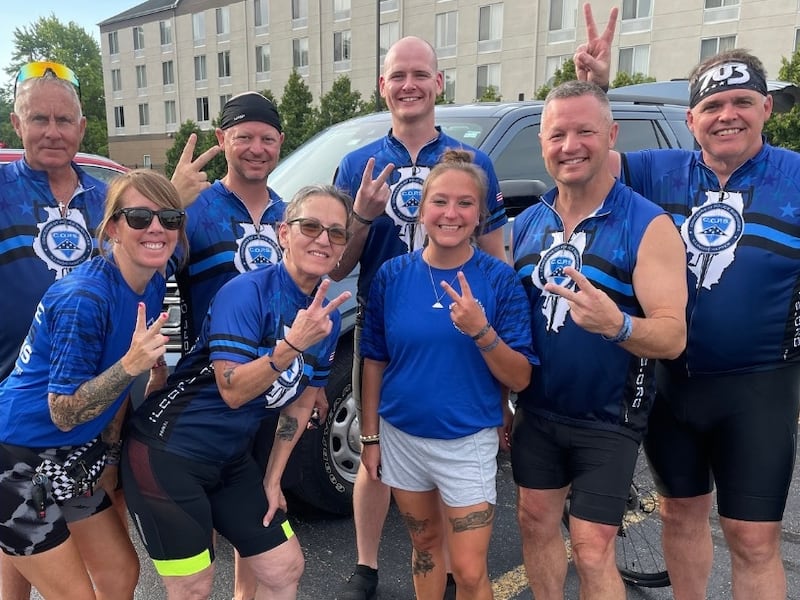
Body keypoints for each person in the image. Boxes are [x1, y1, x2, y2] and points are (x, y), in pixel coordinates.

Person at [574, 5, 800, 599]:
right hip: (671, 382)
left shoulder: (796, 177)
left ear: (766, 109)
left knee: (752, 540)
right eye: (712, 107)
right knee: (679, 515)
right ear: (691, 118)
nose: (727, 116)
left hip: (760, 387)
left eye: (742, 103)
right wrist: (597, 89)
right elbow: (585, 158)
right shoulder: (659, 172)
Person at [332, 36, 509, 600]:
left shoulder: (470, 162)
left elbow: (497, 253)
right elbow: (337, 261)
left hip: (460, 325)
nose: (408, 85)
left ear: (438, 83)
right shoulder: (357, 163)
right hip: (386, 322)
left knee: (453, 440)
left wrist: (496, 336)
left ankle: (456, 571)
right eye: (396, 75)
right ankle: (365, 566)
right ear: (382, 86)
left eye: (419, 74)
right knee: (375, 443)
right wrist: (360, 215)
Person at [121, 184, 352, 600]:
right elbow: (232, 390)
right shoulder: (246, 291)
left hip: (228, 459)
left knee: (284, 568)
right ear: (283, 233)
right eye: (311, 226)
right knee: (193, 587)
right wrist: (292, 346)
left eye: (336, 233)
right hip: (167, 454)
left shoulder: (326, 319)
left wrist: (273, 479)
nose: (323, 239)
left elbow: (299, 405)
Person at [510, 80, 687, 600]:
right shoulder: (527, 224)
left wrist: (619, 325)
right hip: (538, 412)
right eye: (557, 134)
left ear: (610, 135)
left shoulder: (647, 224)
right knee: (534, 522)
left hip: (609, 418)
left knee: (591, 546)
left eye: (585, 131)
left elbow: (673, 335)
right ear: (542, 143)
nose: (570, 146)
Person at [0, 169, 186, 599]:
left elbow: (113, 399)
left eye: (170, 218)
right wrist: (131, 365)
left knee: (120, 574)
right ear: (113, 227)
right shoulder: (84, 299)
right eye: (139, 217)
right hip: (16, 459)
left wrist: (110, 455)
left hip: (74, 455)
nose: (156, 228)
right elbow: (62, 411)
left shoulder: (151, 278)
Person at [359, 149, 534, 599]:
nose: (451, 214)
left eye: (464, 204)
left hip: (467, 440)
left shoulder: (498, 280)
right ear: (421, 208)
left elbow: (520, 378)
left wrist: (482, 332)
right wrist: (371, 437)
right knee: (425, 546)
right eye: (439, 201)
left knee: (472, 571)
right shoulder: (392, 275)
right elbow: (375, 360)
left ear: (480, 215)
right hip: (402, 437)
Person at [0, 60, 119, 600]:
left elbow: (150, 250)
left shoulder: (104, 200)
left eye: (64, 119)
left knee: (30, 555)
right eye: (39, 118)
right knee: (25, 549)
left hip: (80, 411)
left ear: (82, 126)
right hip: (13, 404)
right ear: (16, 122)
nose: (52, 131)